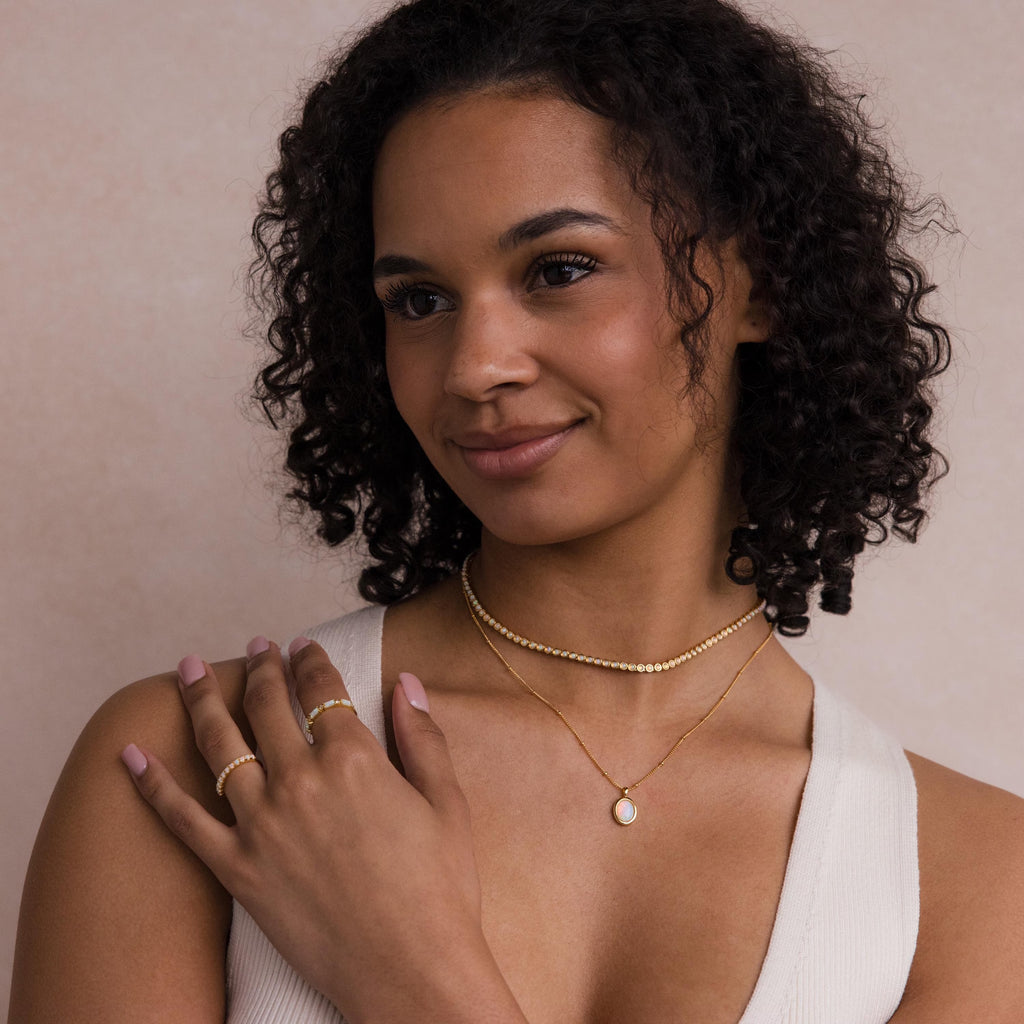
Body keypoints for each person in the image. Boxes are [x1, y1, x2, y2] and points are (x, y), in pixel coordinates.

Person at [9, 0, 1024, 1020]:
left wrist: (413, 973)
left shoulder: (979, 883)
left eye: (559, 270)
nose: (475, 366)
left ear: (755, 283)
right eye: (418, 300)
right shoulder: (207, 763)